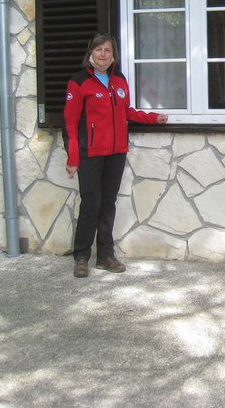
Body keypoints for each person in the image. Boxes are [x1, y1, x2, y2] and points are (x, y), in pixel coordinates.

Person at [64, 33, 168, 278]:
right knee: (91, 203)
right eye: (99, 49)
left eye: (108, 51)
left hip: (116, 152)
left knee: (108, 204)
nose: (103, 54)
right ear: (91, 53)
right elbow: (70, 123)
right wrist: (73, 158)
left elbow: (127, 112)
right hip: (91, 153)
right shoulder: (79, 82)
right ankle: (81, 257)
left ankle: (105, 256)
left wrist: (153, 118)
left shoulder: (119, 80)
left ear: (113, 56)